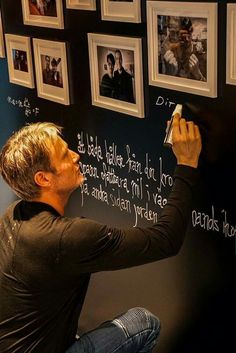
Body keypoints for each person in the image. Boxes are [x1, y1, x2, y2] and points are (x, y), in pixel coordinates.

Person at [0, 115, 202, 353]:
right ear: (43, 178)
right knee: (143, 322)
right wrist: (187, 162)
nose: (76, 156)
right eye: (65, 155)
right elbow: (166, 240)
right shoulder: (66, 238)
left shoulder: (12, 214)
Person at [160, 16, 206, 81]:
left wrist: (198, 74)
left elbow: (210, 86)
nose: (176, 38)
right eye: (172, 33)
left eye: (179, 34)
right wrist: (169, 74)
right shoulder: (166, 48)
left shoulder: (200, 52)